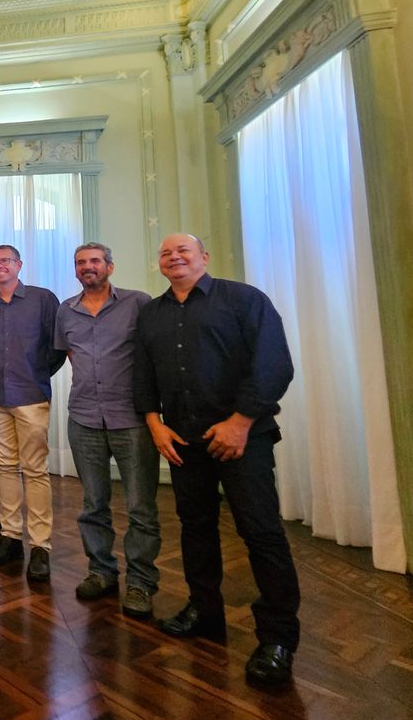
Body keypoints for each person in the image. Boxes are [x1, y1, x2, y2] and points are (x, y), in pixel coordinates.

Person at [134, 233, 299, 686]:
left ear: (204, 257)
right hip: (182, 440)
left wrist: (240, 422)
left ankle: (277, 638)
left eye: (183, 250)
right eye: (165, 252)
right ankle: (205, 611)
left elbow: (273, 364)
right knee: (195, 526)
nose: (174, 256)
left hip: (244, 437)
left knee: (261, 532)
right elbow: (143, 374)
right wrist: (154, 424)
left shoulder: (244, 300)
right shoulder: (152, 314)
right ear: (159, 264)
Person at [54, 243, 159, 618]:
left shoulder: (138, 303)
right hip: (83, 418)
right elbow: (71, 355)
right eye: (80, 262)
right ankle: (101, 571)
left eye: (94, 261)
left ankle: (141, 582)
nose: (87, 267)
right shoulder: (65, 311)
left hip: (130, 419)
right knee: (92, 504)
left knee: (140, 506)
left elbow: (152, 354)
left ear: (110, 266)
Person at [0, 243, 65, 581]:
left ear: (19, 265)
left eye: (5, 261)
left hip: (30, 396)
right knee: (5, 469)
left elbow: (57, 346)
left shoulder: (43, 299)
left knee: (35, 471)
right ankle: (10, 537)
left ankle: (40, 546)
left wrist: (38, 374)